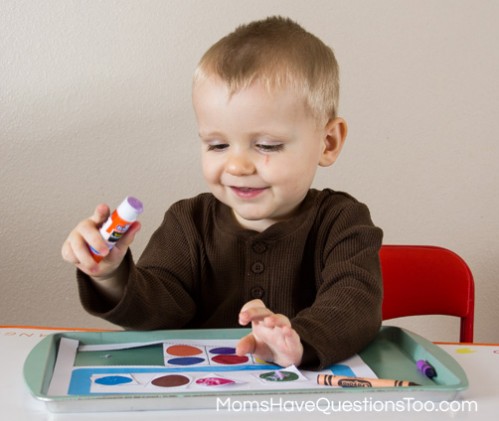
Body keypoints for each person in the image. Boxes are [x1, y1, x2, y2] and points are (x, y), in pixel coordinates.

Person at [61, 16, 383, 370]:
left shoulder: (343, 222)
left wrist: (297, 342)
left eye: (266, 145)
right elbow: (157, 310)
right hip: (200, 395)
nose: (237, 166)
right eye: (217, 145)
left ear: (328, 142)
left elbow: (355, 301)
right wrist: (110, 274)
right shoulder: (188, 223)